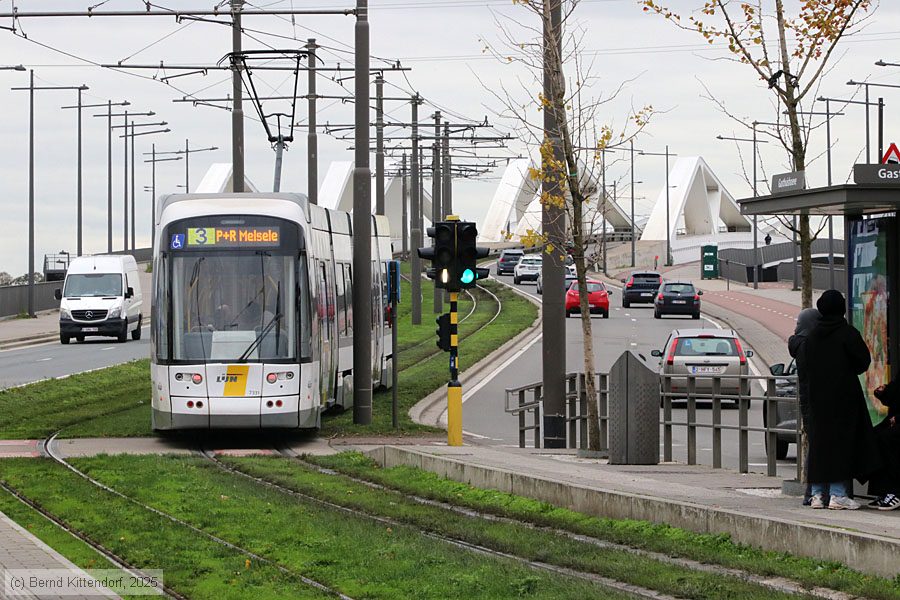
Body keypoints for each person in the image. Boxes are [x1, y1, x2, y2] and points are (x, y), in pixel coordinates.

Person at [803, 289, 881, 510]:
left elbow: (807, 365)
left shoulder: (812, 336)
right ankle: (838, 494)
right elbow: (862, 362)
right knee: (841, 444)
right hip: (844, 397)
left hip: (818, 398)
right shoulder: (847, 333)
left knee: (820, 444)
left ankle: (817, 495)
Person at [788, 307, 819, 506]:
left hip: (806, 401)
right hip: (816, 401)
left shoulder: (798, 344)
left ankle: (811, 492)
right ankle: (813, 492)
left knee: (814, 446)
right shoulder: (811, 345)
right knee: (819, 447)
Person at [867, 383, 900, 510]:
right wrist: (883, 392)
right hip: (894, 419)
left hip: (896, 420)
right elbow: (895, 394)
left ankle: (895, 491)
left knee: (887, 439)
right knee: (872, 437)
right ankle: (883, 490)